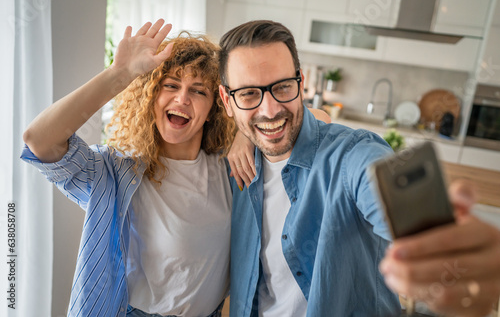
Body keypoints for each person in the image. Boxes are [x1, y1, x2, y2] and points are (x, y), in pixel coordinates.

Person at [218, 19, 500, 317]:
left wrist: (445, 250)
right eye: (249, 94)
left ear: (300, 84)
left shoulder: (350, 155)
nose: (270, 109)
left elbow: (378, 184)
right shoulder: (229, 169)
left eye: (283, 87)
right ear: (227, 100)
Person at [21, 20, 236, 317]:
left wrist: (246, 136)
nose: (182, 98)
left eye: (198, 91)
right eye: (171, 86)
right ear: (151, 97)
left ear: (214, 107)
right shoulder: (117, 171)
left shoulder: (230, 170)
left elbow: (313, 124)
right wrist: (118, 75)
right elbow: (39, 140)